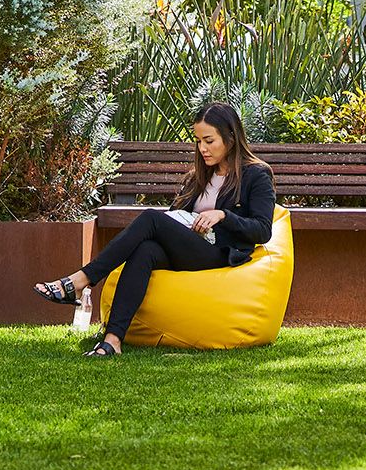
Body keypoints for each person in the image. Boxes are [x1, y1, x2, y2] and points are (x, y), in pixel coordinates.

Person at [35, 100, 276, 357]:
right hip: (190, 245)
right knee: (146, 250)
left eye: (209, 141)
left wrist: (222, 216)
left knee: (151, 218)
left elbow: (263, 230)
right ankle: (113, 340)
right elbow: (176, 216)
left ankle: (81, 280)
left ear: (230, 137)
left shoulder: (256, 174)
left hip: (219, 252)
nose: (202, 148)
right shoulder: (199, 176)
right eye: (198, 141)